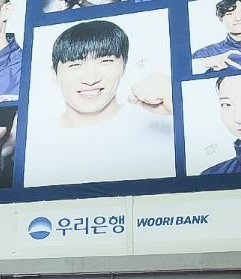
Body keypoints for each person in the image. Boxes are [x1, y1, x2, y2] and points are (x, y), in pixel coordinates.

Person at [23, 19, 175, 187]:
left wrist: (180, 105)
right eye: (75, 64)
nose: (91, 79)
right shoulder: (34, 143)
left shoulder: (163, 123)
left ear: (124, 66)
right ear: (54, 74)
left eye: (106, 61)